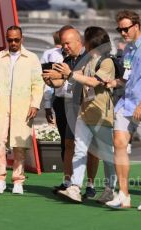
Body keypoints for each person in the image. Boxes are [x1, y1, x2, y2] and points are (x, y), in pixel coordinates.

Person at [47, 26, 118, 204]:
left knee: (106, 154)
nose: (83, 43)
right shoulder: (87, 62)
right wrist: (53, 76)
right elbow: (74, 75)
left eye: (85, 39)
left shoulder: (106, 62)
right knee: (79, 150)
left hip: (101, 115)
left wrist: (69, 74)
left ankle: (110, 189)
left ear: (92, 42)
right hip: (84, 114)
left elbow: (94, 81)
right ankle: (75, 188)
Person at [105, 10, 141, 211]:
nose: (122, 32)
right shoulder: (128, 49)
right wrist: (115, 82)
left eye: (125, 28)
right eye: (119, 29)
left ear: (137, 26)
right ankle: (123, 195)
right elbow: (129, 77)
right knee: (118, 143)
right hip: (127, 104)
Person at [0, 25, 44, 194]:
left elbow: (38, 84)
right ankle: (0, 178)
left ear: (22, 39)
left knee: (20, 144)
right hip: (1, 106)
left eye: (16, 39)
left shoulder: (31, 58)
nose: (13, 43)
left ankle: (18, 180)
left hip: (22, 106)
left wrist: (35, 104)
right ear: (6, 39)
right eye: (10, 40)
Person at [42, 26, 100, 198]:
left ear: (78, 41)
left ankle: (90, 184)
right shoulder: (65, 60)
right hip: (71, 108)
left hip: (90, 108)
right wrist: (50, 81)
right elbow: (61, 82)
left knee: (91, 149)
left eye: (67, 43)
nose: (64, 46)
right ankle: (68, 182)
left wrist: (68, 75)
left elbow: (88, 82)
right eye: (62, 44)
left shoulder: (90, 58)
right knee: (68, 145)